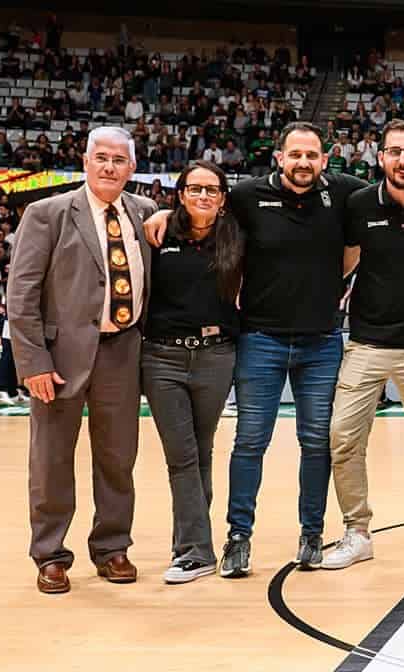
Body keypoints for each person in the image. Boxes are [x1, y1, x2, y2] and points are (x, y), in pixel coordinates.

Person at [143, 122, 404, 578]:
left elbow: (376, 216)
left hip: (321, 342)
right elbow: (201, 212)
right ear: (280, 157)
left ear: (325, 160)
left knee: (317, 444)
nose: (304, 163)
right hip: (261, 340)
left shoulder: (347, 194)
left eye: (313, 156)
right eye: (295, 155)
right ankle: (238, 538)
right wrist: (162, 215)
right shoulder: (248, 196)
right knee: (250, 442)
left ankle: (312, 535)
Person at [8, 126, 157, 594]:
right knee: (51, 459)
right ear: (86, 161)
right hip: (59, 357)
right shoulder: (46, 213)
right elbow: (21, 294)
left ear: (132, 167)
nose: (110, 167)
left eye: (119, 160)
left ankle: (113, 548)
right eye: (102, 158)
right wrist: (32, 362)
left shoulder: (147, 213)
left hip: (123, 350)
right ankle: (50, 554)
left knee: (118, 459)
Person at [322, 121, 404, 571]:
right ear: (379, 157)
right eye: (394, 152)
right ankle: (357, 531)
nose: (403, 160)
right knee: (342, 438)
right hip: (366, 341)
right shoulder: (358, 203)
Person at [140, 160, 243, 584]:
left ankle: (194, 546)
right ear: (181, 193)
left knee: (201, 452)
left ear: (222, 199)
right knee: (181, 456)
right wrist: (160, 215)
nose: (203, 196)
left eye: (212, 190)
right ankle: (194, 551)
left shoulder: (236, 237)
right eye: (195, 188)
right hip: (162, 358)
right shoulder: (159, 233)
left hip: (216, 356)